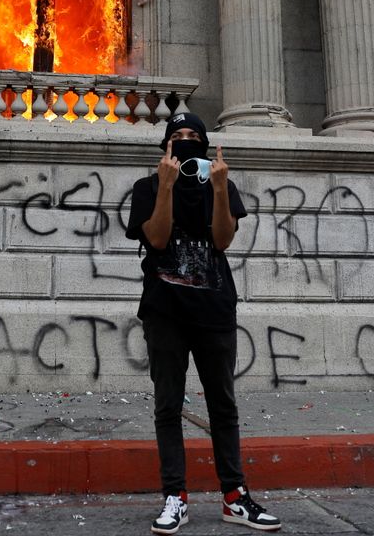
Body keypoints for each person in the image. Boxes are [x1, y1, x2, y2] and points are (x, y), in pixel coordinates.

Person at [126, 112, 281, 534]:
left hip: (214, 309)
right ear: (166, 147)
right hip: (165, 312)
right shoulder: (147, 187)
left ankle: (234, 497)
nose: (187, 141)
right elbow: (156, 239)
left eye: (195, 135)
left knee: (223, 405)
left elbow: (223, 240)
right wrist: (166, 187)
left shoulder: (221, 185)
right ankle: (175, 497)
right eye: (178, 137)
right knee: (168, 406)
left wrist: (216, 187)